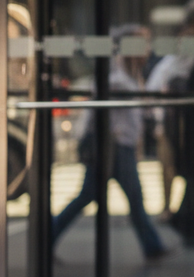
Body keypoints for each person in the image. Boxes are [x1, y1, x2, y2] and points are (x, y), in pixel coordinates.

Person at [52, 26, 167, 261]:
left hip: (117, 145)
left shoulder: (129, 71)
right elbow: (102, 109)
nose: (146, 50)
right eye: (142, 44)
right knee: (132, 196)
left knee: (95, 196)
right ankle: (152, 246)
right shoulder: (117, 76)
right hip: (112, 146)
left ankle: (47, 237)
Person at [146, 0, 194, 246]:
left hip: (189, 113)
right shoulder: (190, 39)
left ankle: (185, 220)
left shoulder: (193, 38)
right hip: (188, 114)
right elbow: (180, 72)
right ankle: (187, 224)